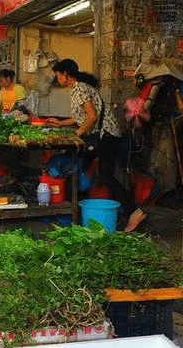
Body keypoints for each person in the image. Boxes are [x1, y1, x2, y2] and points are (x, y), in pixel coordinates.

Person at [47, 59, 146, 232]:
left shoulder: (80, 88)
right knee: (89, 169)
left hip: (106, 136)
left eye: (58, 74)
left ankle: (134, 211)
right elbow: (83, 118)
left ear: (65, 74)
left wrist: (76, 135)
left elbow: (91, 117)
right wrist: (61, 123)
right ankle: (79, 210)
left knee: (106, 175)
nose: (57, 78)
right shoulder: (81, 88)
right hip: (106, 135)